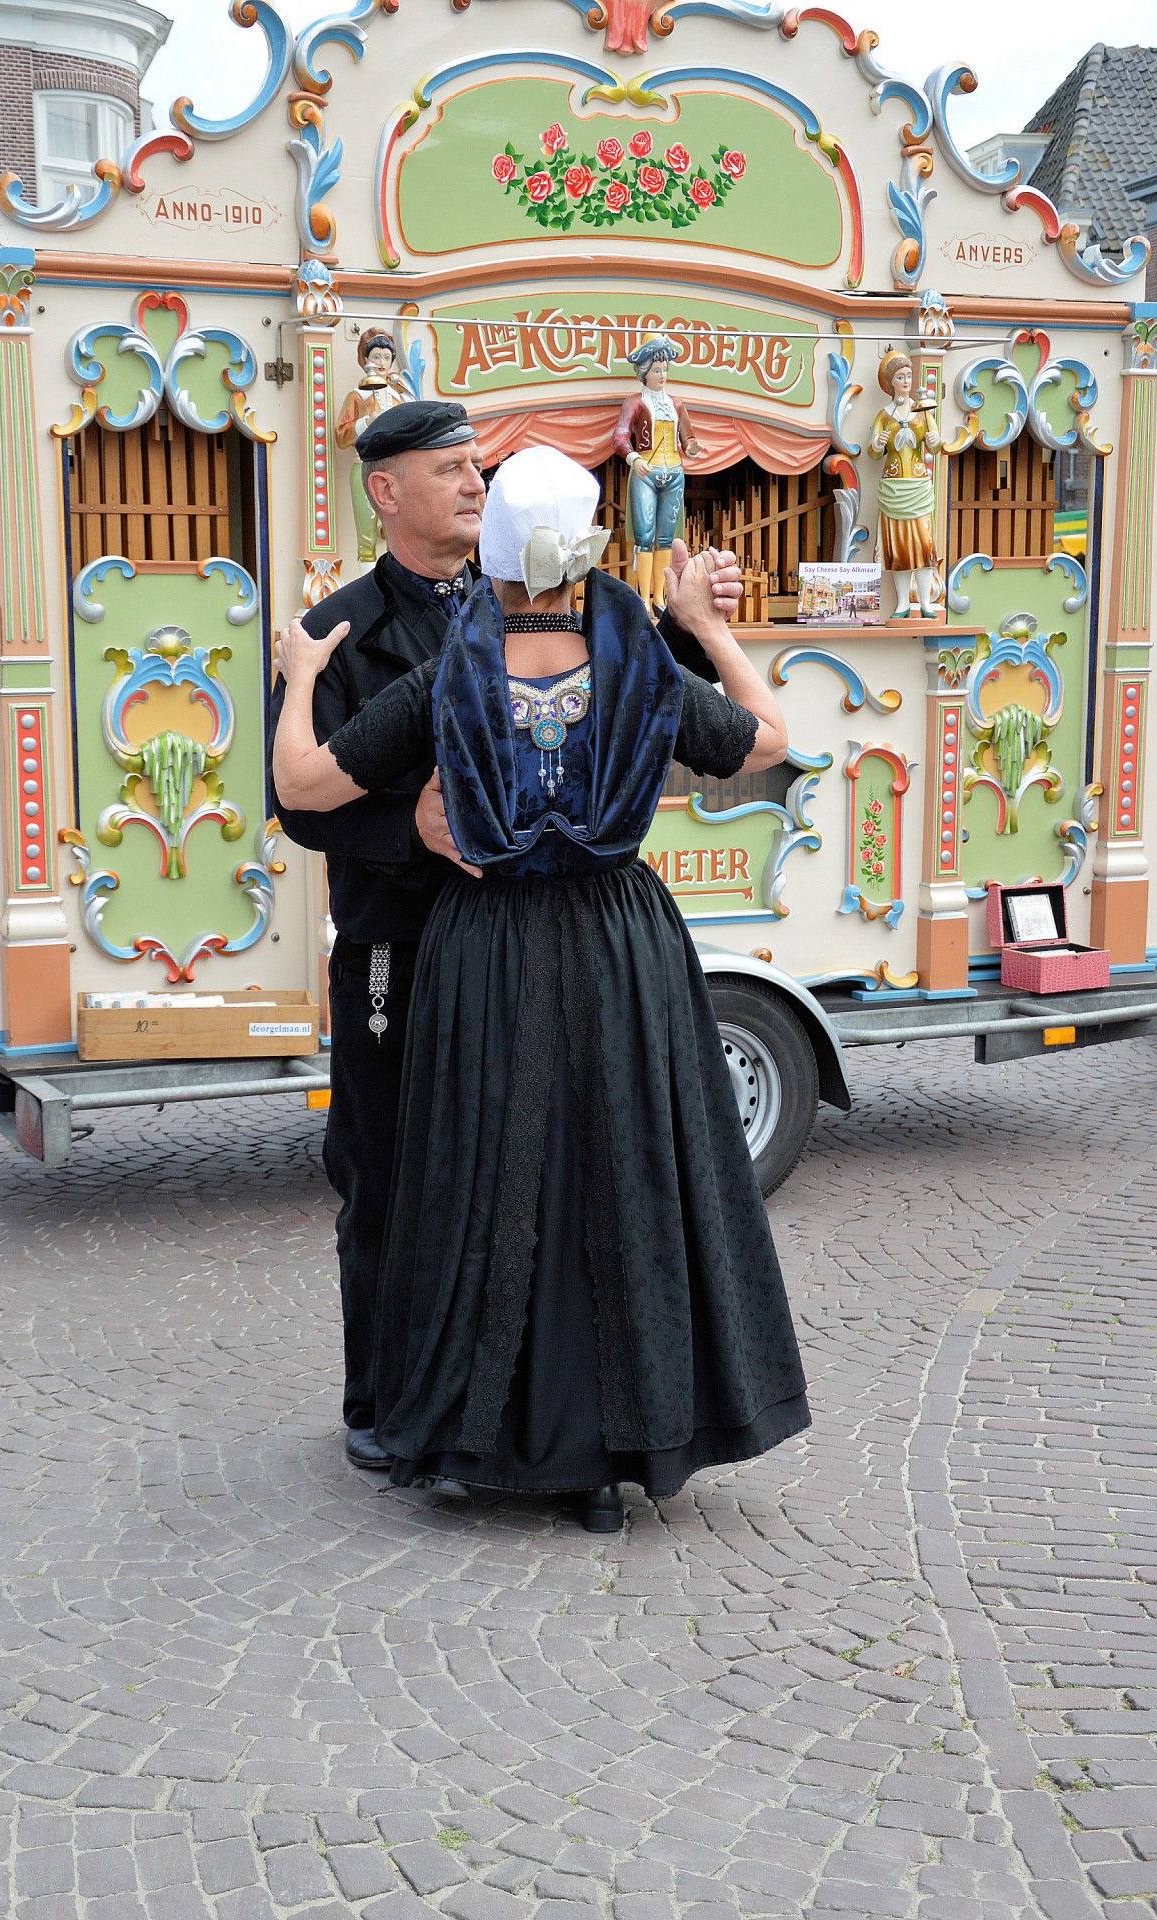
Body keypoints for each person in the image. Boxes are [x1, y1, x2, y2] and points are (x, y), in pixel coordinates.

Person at [272, 447, 810, 1531]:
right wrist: (706, 629)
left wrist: (295, 679)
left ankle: (489, 1435)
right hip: (619, 948)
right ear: (587, 548)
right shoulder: (636, 664)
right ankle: (616, 1453)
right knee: (619, 1177)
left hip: (488, 952)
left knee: (485, 1179)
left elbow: (300, 784)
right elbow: (767, 740)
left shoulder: (448, 676)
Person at [613, 333, 703, 611]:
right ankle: (642, 597)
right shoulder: (635, 402)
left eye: (664, 369)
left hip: (674, 472)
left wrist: (692, 447)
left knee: (665, 537)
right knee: (643, 536)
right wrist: (633, 458)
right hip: (646, 472)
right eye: (656, 370)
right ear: (645, 373)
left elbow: (687, 437)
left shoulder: (676, 404)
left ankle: (660, 597)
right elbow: (619, 436)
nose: (662, 374)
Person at [868, 349, 941, 619]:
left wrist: (934, 442)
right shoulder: (884, 416)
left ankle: (925, 603)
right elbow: (873, 452)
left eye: (909, 375)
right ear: (891, 383)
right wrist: (877, 444)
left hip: (918, 487)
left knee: (924, 546)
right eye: (901, 376)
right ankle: (901, 604)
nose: (907, 380)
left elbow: (935, 444)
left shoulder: (923, 411)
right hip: (894, 488)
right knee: (898, 549)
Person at [334, 330, 410, 566]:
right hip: (364, 467)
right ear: (366, 360)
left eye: (386, 357)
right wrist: (365, 422)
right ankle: (368, 593)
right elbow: (341, 436)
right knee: (366, 538)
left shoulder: (400, 397)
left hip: (397, 470)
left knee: (399, 534)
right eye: (376, 357)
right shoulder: (357, 396)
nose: (381, 363)